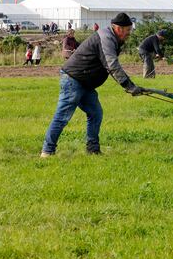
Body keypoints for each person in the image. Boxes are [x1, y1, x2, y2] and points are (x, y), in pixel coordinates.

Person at [40, 12, 144, 157]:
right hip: (73, 79)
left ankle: (93, 150)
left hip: (85, 82)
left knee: (95, 113)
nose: (129, 34)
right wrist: (129, 85)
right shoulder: (106, 38)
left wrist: (130, 86)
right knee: (62, 116)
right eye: (128, 31)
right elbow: (111, 64)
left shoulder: (111, 37)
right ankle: (47, 151)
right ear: (118, 28)